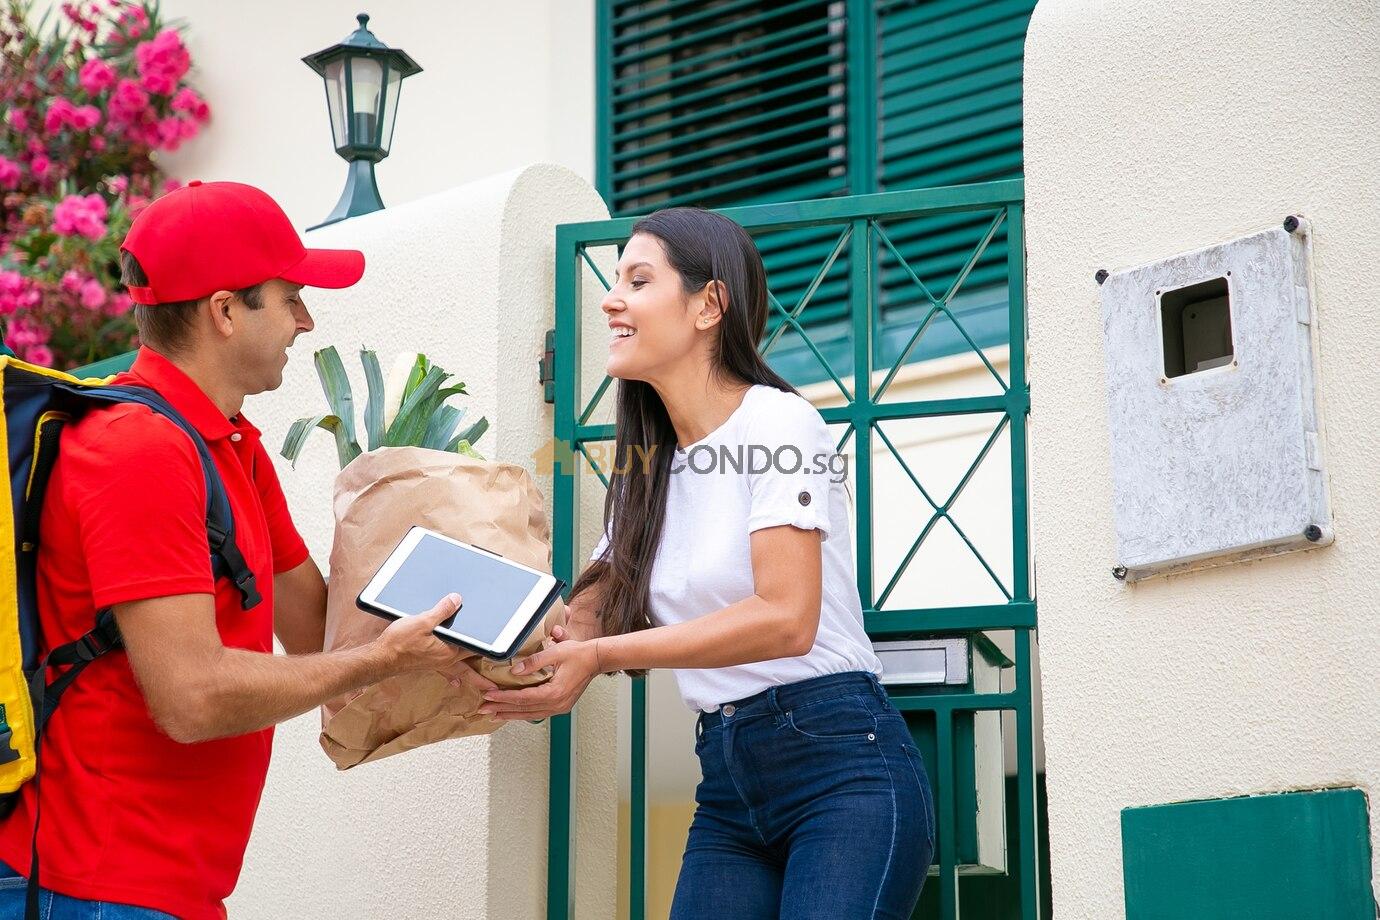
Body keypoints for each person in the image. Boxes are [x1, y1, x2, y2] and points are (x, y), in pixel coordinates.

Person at [0, 181, 487, 920]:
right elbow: (191, 699)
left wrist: (482, 630)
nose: (306, 319)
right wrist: (385, 659)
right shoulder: (137, 452)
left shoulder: (230, 446)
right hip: (91, 886)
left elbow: (316, 629)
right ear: (225, 311)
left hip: (171, 887)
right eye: (288, 297)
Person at [480, 207, 935, 919]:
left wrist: (596, 658)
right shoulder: (643, 467)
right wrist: (495, 637)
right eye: (613, 281)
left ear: (708, 305)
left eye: (638, 279)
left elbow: (786, 619)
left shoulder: (780, 425)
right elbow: (587, 614)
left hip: (841, 767)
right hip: (727, 781)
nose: (610, 298)